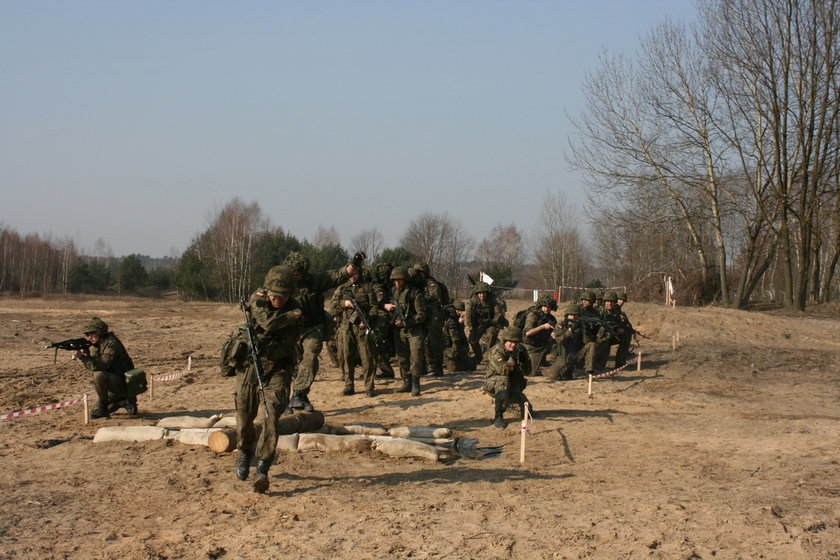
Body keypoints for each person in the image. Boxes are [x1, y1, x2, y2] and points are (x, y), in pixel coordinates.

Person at [235, 265, 303, 493]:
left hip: (278, 369)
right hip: (250, 367)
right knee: (244, 417)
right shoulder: (259, 300)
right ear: (267, 291)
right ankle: (245, 451)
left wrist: (292, 315)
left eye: (282, 297)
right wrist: (290, 316)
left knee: (272, 414)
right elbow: (268, 323)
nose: (277, 300)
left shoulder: (295, 308)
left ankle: (262, 467)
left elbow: (285, 346)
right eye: (274, 296)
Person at [283, 251, 358, 412]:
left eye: (299, 274)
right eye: (293, 274)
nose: (296, 277)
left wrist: (354, 264)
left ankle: (298, 393)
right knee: (291, 365)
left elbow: (338, 275)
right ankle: (289, 399)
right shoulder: (282, 282)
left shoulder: (314, 281)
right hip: (290, 329)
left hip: (313, 327)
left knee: (310, 357)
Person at [330, 262, 385, 397]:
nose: (353, 276)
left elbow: (374, 307)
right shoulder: (342, 288)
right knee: (346, 357)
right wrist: (345, 303)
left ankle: (369, 387)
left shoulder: (367, 287)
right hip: (345, 327)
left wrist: (367, 321)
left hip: (361, 328)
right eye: (351, 274)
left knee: (367, 357)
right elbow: (332, 308)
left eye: (356, 274)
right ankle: (349, 385)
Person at [74, 317, 137, 419]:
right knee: (94, 413)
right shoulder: (99, 345)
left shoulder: (111, 344)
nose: (89, 337)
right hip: (114, 385)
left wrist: (82, 357)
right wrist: (87, 353)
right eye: (87, 335)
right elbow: (94, 363)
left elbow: (100, 366)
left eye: (92, 334)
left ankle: (109, 405)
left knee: (99, 375)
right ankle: (123, 402)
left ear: (100, 332)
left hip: (124, 385)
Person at [384, 266, 427, 396]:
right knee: (402, 357)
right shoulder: (392, 292)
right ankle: (406, 382)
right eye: (395, 280)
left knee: (416, 356)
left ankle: (415, 383)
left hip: (414, 329)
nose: (397, 283)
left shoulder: (415, 293)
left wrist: (407, 322)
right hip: (399, 330)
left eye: (399, 280)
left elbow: (422, 315)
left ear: (405, 280)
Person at [483, 326, 532, 428]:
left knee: (527, 411)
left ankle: (508, 402)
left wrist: (524, 362)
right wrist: (513, 358)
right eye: (510, 341)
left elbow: (528, 372)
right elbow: (504, 370)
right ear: (505, 341)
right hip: (496, 385)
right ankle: (498, 415)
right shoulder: (497, 351)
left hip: (513, 387)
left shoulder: (520, 350)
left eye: (516, 342)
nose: (513, 345)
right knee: (503, 380)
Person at [545, 303, 601, 381]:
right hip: (563, 357)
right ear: (567, 316)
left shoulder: (580, 326)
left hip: (577, 355)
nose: (573, 317)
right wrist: (569, 331)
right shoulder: (561, 325)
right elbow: (560, 340)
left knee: (592, 345)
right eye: (571, 315)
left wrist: (585, 330)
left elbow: (587, 342)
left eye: (576, 315)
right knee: (553, 376)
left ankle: (589, 373)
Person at [412, 262, 450, 377]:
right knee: (421, 341)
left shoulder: (431, 284)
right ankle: (423, 367)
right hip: (421, 316)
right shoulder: (416, 285)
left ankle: (437, 367)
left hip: (433, 316)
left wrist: (421, 299)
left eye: (420, 272)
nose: (418, 275)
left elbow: (435, 299)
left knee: (435, 341)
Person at [466, 281, 507, 364]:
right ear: (477, 293)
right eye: (480, 293)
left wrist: (492, 322)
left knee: (491, 335)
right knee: (472, 339)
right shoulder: (473, 301)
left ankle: (489, 357)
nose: (482, 295)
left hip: (492, 323)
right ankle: (478, 356)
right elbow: (469, 315)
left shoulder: (493, 299)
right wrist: (471, 328)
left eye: (484, 293)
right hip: (479, 323)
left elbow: (498, 314)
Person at [596, 290, 634, 369]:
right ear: (604, 302)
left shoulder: (615, 312)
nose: (610, 304)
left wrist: (620, 328)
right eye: (608, 301)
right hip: (598, 337)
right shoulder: (599, 311)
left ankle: (620, 362)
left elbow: (618, 324)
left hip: (610, 335)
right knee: (606, 338)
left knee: (626, 334)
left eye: (612, 302)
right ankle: (599, 364)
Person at [523, 294, 558, 377]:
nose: (546, 309)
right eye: (545, 306)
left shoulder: (551, 318)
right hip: (531, 346)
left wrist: (554, 334)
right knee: (531, 373)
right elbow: (527, 333)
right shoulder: (533, 315)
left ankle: (542, 359)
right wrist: (542, 327)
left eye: (549, 307)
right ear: (540, 305)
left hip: (542, 344)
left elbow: (554, 331)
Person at [442, 300, 474, 373]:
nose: (460, 313)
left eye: (461, 311)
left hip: (453, 349)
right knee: (454, 368)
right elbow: (456, 340)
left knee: (470, 365)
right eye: (459, 310)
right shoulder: (451, 322)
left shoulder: (455, 319)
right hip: (449, 350)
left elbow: (461, 336)